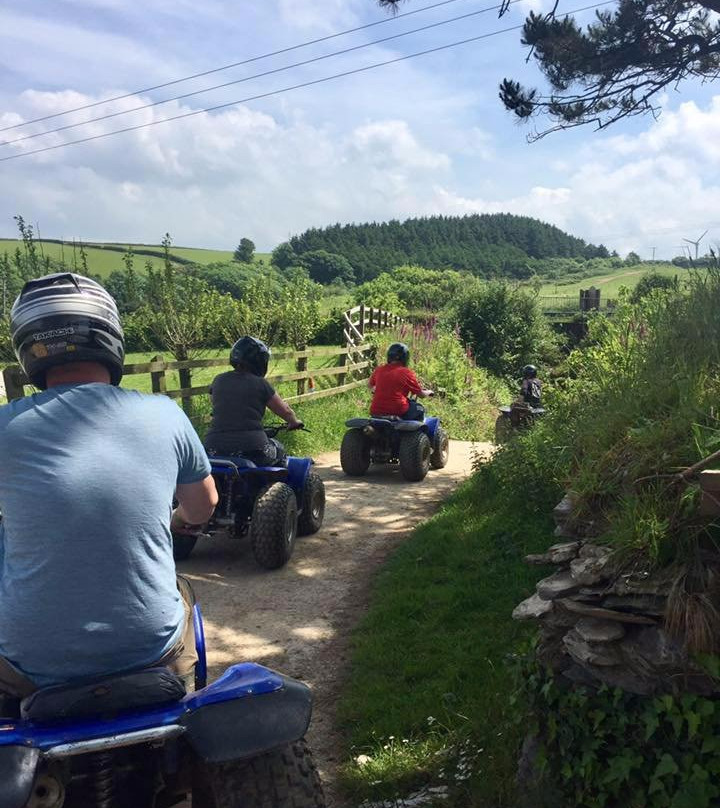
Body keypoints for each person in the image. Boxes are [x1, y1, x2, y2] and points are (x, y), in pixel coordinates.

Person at [0, 272, 218, 699]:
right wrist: (176, 519)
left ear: (28, 349)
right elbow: (204, 505)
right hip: (149, 653)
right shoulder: (165, 414)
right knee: (183, 593)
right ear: (109, 336)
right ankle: (185, 696)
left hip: (30, 665)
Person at [203, 336, 303, 465]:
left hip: (212, 448)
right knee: (279, 450)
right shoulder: (260, 384)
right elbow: (285, 411)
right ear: (260, 361)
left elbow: (215, 403)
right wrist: (294, 422)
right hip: (252, 448)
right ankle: (279, 479)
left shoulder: (218, 380)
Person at [368, 342, 433, 421]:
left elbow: (370, 385)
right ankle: (419, 429)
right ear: (405, 358)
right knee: (420, 409)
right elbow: (421, 395)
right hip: (397, 410)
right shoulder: (406, 372)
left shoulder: (379, 370)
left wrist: (379, 390)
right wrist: (429, 392)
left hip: (375, 411)